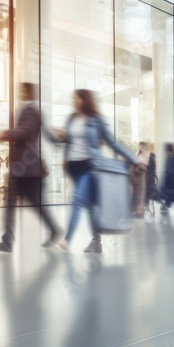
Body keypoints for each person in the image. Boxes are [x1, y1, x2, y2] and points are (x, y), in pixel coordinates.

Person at [54, 89, 145, 253]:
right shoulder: (72, 118)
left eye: (77, 98)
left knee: (77, 200)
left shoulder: (96, 120)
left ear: (85, 100)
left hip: (90, 166)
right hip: (74, 167)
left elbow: (113, 143)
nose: (74, 100)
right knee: (90, 205)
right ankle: (96, 242)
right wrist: (60, 138)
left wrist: (135, 159)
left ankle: (67, 240)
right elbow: (67, 141)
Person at [0, 82, 63, 252]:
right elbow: (45, 135)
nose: (21, 93)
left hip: (25, 168)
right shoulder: (32, 111)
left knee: (28, 203)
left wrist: (4, 134)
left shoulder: (30, 110)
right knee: (15, 202)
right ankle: (8, 239)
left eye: (23, 90)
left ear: (29, 93)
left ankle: (11, 239)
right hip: (25, 167)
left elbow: (26, 132)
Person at [160, 143, 174, 213]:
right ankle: (169, 204)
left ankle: (169, 204)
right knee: (171, 192)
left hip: (172, 178)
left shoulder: (171, 157)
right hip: (172, 178)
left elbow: (168, 168)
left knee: (170, 192)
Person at [130, 142, 151, 218]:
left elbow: (144, 165)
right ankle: (134, 209)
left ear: (144, 146)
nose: (140, 147)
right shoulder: (138, 153)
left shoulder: (146, 154)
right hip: (135, 175)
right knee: (135, 193)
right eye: (139, 146)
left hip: (141, 175)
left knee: (140, 193)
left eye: (141, 146)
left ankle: (139, 211)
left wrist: (138, 165)